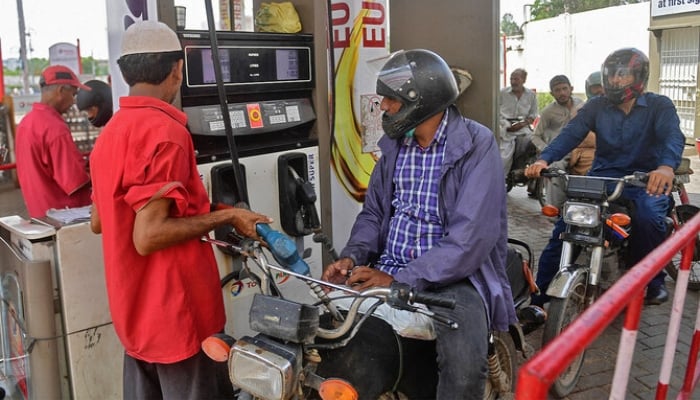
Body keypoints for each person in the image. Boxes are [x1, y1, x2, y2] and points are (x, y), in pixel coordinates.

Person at [89, 21, 271, 399]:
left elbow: (100, 220)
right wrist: (228, 216)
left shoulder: (110, 134)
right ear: (176, 68)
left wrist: (204, 207)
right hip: (179, 319)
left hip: (135, 316)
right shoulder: (166, 132)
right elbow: (148, 235)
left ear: (125, 72)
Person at [321, 49, 516, 399]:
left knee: (464, 369)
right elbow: (374, 214)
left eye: (390, 99)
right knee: (328, 333)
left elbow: (469, 240)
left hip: (457, 278)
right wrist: (353, 257)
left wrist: (400, 277)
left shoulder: (477, 144)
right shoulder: (395, 147)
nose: (383, 106)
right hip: (390, 266)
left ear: (420, 101)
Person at [524, 48, 685, 309]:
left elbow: (672, 137)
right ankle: (539, 301)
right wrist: (544, 159)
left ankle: (652, 281)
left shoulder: (659, 105)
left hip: (644, 181)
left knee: (649, 218)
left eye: (623, 76)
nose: (615, 81)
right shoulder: (596, 106)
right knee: (565, 228)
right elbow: (571, 133)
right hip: (602, 179)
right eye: (611, 76)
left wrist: (666, 167)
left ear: (639, 76)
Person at [15, 65, 92, 218]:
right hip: (66, 215)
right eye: (73, 94)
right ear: (61, 91)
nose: (74, 101)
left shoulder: (26, 122)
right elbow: (75, 181)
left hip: (39, 213)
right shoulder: (54, 128)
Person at [531, 75, 585, 208]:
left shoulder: (582, 106)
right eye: (557, 90)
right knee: (555, 168)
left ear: (571, 89)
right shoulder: (548, 112)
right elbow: (535, 136)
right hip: (559, 151)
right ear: (552, 93)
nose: (562, 93)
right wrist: (547, 152)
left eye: (564, 89)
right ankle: (556, 208)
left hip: (581, 149)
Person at [498, 68, 539, 181]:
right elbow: (495, 111)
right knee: (503, 155)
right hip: (504, 125)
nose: (513, 81)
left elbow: (533, 114)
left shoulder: (531, 95)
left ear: (524, 80)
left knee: (533, 146)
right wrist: (508, 126)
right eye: (511, 78)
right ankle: (501, 179)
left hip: (523, 127)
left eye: (516, 79)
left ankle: (523, 173)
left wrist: (522, 124)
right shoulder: (502, 93)